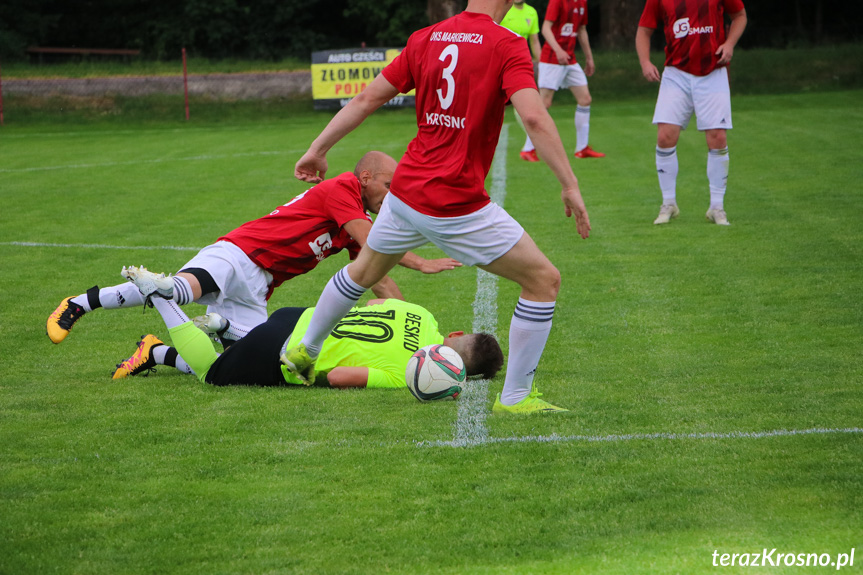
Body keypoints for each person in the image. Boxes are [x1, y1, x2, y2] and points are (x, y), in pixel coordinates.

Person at [282, 0, 591, 415]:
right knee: (543, 281)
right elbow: (534, 119)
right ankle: (516, 398)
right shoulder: (507, 44)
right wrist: (569, 184)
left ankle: (307, 349)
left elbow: (365, 100)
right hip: (455, 202)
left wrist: (317, 150)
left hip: (405, 194)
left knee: (363, 272)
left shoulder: (425, 37)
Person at [47, 152, 461, 352]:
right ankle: (81, 302)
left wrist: (415, 341)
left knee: (252, 360)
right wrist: (421, 261)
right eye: (389, 186)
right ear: (365, 177)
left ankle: (154, 352)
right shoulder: (342, 189)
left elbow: (379, 281)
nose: (390, 197)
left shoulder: (354, 222)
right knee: (180, 289)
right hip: (238, 253)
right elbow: (376, 243)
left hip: (259, 288)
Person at [113, 271, 503, 390]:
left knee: (234, 360)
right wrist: (307, 381)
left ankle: (159, 350)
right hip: (291, 351)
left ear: (453, 335)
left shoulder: (420, 312)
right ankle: (162, 297)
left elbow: (375, 305)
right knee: (213, 373)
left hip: (297, 316)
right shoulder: (411, 373)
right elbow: (337, 376)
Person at [636, 0, 747, 225]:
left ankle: (717, 207)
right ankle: (669, 204)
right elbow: (644, 30)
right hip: (676, 73)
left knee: (717, 137)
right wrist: (645, 62)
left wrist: (729, 44)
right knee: (665, 136)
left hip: (713, 70)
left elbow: (740, 15)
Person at [520, 0, 604, 162]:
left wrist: (589, 58)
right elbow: (545, 28)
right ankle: (528, 148)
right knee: (544, 103)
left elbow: (581, 30)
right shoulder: (557, 1)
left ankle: (582, 148)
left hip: (570, 60)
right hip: (552, 59)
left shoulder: (582, 3)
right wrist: (558, 50)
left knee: (585, 99)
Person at [500, 0, 544, 163]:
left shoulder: (531, 12)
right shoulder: (503, 8)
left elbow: (534, 40)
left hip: (519, 64)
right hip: (498, 61)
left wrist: (540, 64)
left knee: (526, 106)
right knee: (494, 104)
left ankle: (529, 145)